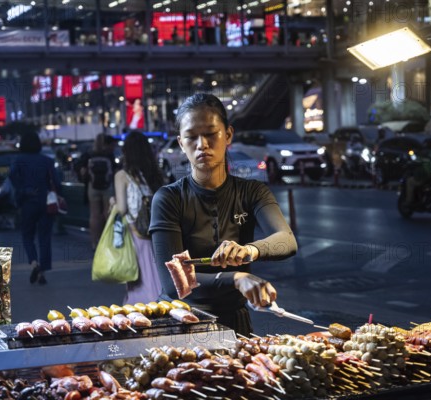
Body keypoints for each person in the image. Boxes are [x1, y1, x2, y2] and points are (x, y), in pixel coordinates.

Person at [149, 93, 298, 336]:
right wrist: (236, 277)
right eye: (191, 137)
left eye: (210, 134)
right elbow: (175, 282)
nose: (202, 144)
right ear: (180, 143)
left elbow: (287, 240)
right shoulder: (168, 199)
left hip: (234, 322)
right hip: (181, 323)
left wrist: (249, 250)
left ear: (228, 135)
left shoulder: (252, 191)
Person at [112, 131, 164, 304]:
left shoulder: (122, 175)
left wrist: (112, 201)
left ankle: (141, 306)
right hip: (154, 230)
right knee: (154, 272)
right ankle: (159, 303)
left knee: (138, 275)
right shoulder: (153, 174)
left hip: (134, 231)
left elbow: (122, 208)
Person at [9, 132, 61, 285]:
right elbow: (57, 182)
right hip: (46, 202)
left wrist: (23, 190)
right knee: (45, 237)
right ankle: (42, 272)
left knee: (27, 235)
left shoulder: (18, 161)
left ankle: (34, 263)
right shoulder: (47, 161)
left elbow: (11, 177)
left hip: (27, 202)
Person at [79, 134, 118, 250]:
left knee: (94, 215)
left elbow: (80, 169)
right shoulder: (109, 155)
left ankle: (95, 243)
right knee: (108, 214)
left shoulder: (89, 154)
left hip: (93, 187)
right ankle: (109, 242)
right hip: (107, 186)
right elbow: (115, 170)